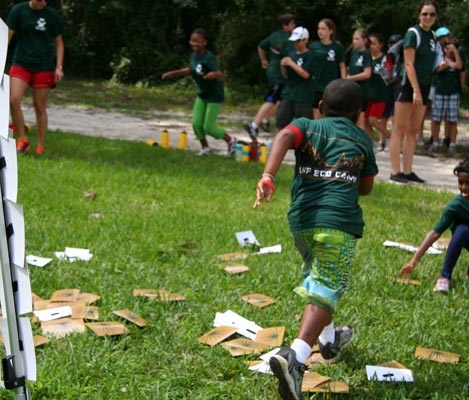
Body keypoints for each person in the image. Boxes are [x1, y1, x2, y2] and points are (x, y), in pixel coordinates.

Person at [253, 79, 378, 400]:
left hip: (302, 222)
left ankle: (329, 340)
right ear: (358, 113)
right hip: (337, 223)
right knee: (328, 286)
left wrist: (268, 175)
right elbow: (365, 188)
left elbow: (283, 135)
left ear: (321, 105)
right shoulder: (363, 140)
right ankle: (296, 356)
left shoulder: (307, 125)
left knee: (318, 275)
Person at [401, 158, 469, 293]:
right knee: (461, 231)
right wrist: (414, 260)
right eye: (460, 182)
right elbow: (435, 233)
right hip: (465, 236)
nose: (464, 187)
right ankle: (445, 277)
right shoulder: (455, 206)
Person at [161, 28, 236, 156]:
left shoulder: (209, 57)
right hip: (202, 94)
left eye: (198, 41)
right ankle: (205, 148)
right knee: (196, 123)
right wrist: (173, 73)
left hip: (214, 95)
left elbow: (221, 76)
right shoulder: (193, 56)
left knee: (209, 127)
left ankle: (231, 141)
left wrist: (213, 74)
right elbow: (191, 70)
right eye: (192, 41)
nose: (195, 44)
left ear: (205, 43)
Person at [389, 0, 439, 183]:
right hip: (408, 85)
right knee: (399, 128)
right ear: (419, 15)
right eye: (425, 14)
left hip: (424, 85)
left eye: (432, 14)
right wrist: (416, 90)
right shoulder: (413, 33)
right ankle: (395, 171)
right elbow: (409, 64)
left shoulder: (433, 36)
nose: (428, 17)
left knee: (413, 130)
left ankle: (408, 170)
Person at [7, 0, 64, 156]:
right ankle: (23, 139)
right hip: (21, 62)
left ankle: (40, 146)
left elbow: (59, 43)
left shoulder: (51, 15)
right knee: (13, 99)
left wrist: (58, 67)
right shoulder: (18, 11)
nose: (43, 3)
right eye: (40, 0)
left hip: (44, 66)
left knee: (39, 107)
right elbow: (7, 37)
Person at [244, 13, 296, 138]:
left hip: (271, 70)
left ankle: (265, 119)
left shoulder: (274, 35)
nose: (294, 26)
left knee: (280, 101)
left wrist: (263, 60)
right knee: (272, 99)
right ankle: (254, 124)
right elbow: (293, 56)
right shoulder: (288, 40)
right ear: (285, 25)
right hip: (280, 74)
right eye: (292, 24)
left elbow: (261, 46)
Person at [429, 27, 464, 153]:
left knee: (452, 119)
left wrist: (454, 52)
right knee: (436, 118)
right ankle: (435, 141)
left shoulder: (459, 51)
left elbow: (460, 66)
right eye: (441, 39)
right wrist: (445, 64)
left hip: (453, 90)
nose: (445, 41)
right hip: (439, 89)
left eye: (446, 38)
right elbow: (434, 70)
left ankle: (452, 143)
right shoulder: (437, 53)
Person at [275, 27, 315, 129]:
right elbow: (286, 76)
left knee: (304, 126)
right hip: (289, 93)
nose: (295, 43)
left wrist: (291, 64)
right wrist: (283, 66)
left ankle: (304, 144)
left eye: (297, 41)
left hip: (303, 96)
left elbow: (306, 74)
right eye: (293, 41)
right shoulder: (291, 55)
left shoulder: (310, 55)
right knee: (281, 122)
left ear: (305, 40)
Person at [309, 19, 346, 119]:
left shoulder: (337, 47)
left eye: (323, 29)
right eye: (319, 28)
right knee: (317, 113)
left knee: (330, 112)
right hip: (317, 85)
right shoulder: (313, 46)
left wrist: (344, 82)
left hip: (332, 86)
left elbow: (342, 66)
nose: (320, 31)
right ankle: (317, 133)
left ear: (331, 31)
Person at [366, 33, 390, 150]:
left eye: (374, 43)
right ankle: (371, 144)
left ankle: (390, 137)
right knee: (366, 121)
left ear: (380, 45)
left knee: (373, 120)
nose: (371, 46)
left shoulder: (385, 58)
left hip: (380, 94)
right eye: (369, 43)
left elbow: (390, 76)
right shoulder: (367, 58)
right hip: (368, 94)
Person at [345, 28, 372, 135]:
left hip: (362, 91)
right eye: (353, 39)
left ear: (365, 40)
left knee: (360, 118)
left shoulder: (366, 54)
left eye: (357, 39)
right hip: (352, 89)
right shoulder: (353, 53)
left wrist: (350, 78)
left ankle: (361, 143)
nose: (354, 42)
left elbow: (367, 73)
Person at [381, 33, 402, 151]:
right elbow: (386, 74)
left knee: (395, 118)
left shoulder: (402, 57)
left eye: (395, 44)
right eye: (391, 43)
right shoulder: (387, 57)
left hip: (397, 89)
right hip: (387, 89)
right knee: (383, 117)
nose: (393, 46)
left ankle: (394, 142)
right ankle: (382, 141)